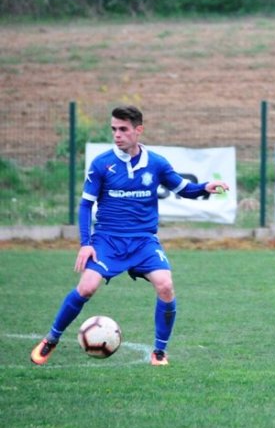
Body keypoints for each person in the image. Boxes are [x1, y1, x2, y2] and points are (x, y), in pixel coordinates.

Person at [30, 105, 230, 366]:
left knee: (166, 286)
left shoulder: (156, 163)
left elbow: (183, 189)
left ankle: (159, 352)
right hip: (107, 239)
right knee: (87, 286)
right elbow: (85, 205)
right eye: (114, 129)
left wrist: (205, 187)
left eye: (123, 129)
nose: (117, 135)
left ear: (138, 130)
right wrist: (85, 244)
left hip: (143, 240)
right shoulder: (102, 164)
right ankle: (51, 340)